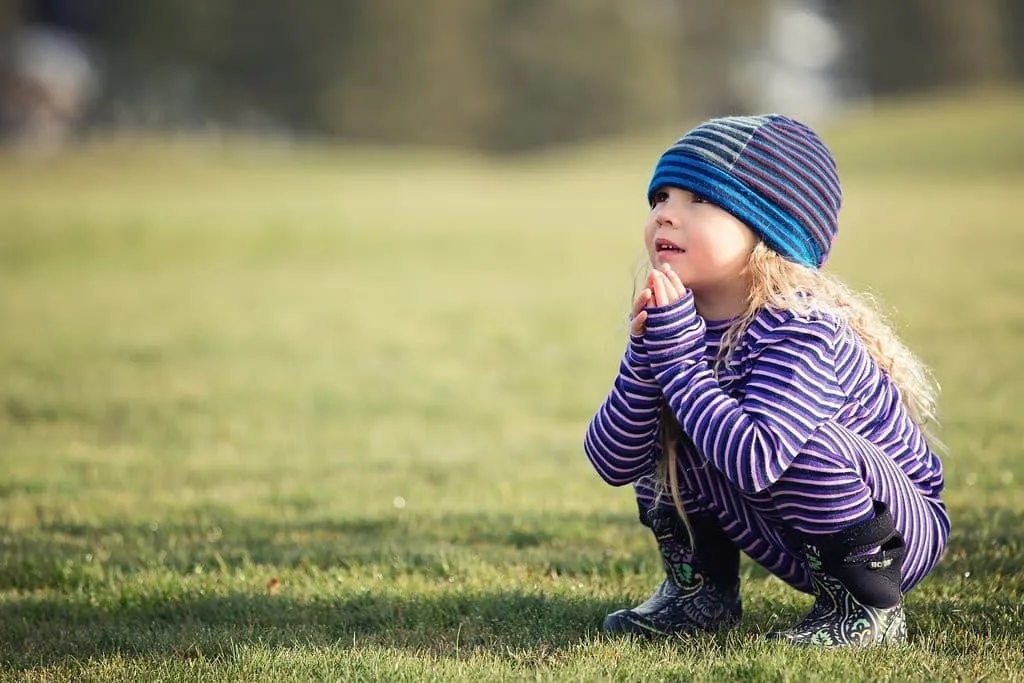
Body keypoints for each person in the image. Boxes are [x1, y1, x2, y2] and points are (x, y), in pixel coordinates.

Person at [583, 115, 949, 647]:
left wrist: (679, 368)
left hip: (886, 535)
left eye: (699, 200)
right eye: (660, 197)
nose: (665, 215)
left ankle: (868, 611)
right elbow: (614, 461)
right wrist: (648, 358)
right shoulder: (678, 323)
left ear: (766, 226)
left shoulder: (800, 326)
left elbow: (759, 454)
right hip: (778, 524)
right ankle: (700, 594)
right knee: (664, 421)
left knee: (801, 440)